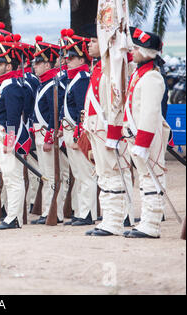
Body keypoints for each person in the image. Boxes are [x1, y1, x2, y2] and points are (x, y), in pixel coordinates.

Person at [83, 24, 134, 237]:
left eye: (94, 40)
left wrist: (113, 131)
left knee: (113, 174)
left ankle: (114, 222)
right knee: (103, 176)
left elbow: (116, 102)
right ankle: (108, 219)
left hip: (108, 128)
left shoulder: (114, 68)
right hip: (97, 128)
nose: (89, 44)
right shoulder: (99, 67)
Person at [122, 27, 170, 239]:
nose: (133, 51)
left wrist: (141, 143)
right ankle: (147, 222)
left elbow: (150, 114)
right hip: (140, 136)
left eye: (136, 48)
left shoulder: (152, 77)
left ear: (146, 52)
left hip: (147, 137)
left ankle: (151, 225)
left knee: (152, 178)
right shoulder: (140, 74)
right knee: (145, 178)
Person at [0, 34, 32, 230]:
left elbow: (13, 117)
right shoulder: (6, 85)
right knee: (9, 178)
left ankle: (14, 218)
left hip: (10, 139)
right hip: (4, 137)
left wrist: (9, 139)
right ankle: (12, 216)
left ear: (10, 65)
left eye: (0, 63)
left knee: (13, 179)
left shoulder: (12, 86)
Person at [59, 31, 98, 226]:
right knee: (78, 174)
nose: (68, 60)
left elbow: (83, 111)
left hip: (77, 131)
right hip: (69, 130)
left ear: (82, 58)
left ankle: (88, 213)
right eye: (67, 57)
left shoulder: (82, 78)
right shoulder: (73, 77)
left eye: (72, 57)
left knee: (85, 174)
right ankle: (82, 211)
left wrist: (78, 135)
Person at [30, 36, 69, 225]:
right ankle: (48, 211)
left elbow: (57, 113)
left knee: (52, 176)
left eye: (38, 63)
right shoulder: (43, 84)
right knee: (47, 176)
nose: (34, 66)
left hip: (47, 135)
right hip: (40, 133)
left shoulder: (54, 85)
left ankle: (55, 212)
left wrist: (49, 136)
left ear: (47, 64)